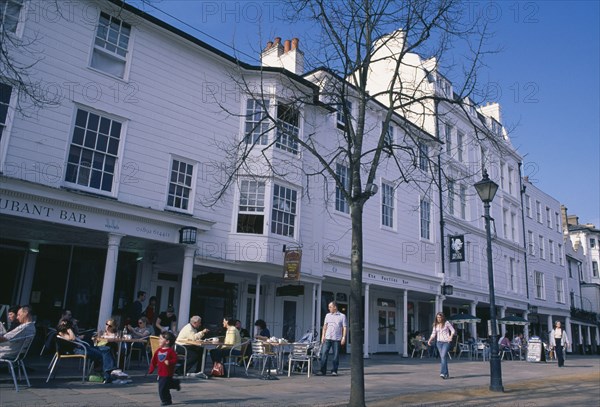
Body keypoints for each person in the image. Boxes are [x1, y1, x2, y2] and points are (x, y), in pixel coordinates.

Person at [57, 319, 116, 383]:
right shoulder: (61, 332)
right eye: (63, 323)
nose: (65, 324)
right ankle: (107, 374)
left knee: (106, 349)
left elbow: (75, 336)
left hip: (82, 347)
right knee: (100, 354)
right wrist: (69, 329)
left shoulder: (67, 330)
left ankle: (108, 372)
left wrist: (74, 327)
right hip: (76, 350)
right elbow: (72, 338)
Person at [148, 331, 181, 406]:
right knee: (167, 385)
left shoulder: (170, 351)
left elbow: (175, 360)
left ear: (167, 341)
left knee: (162, 388)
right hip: (161, 373)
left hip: (168, 373)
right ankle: (175, 383)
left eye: (160, 339)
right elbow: (154, 361)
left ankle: (166, 400)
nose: (159, 340)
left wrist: (169, 362)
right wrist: (151, 369)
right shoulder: (158, 351)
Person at [318, 301, 347, 376]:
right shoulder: (327, 315)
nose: (329, 308)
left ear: (335, 307)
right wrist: (322, 336)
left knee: (336, 355)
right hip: (327, 338)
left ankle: (334, 370)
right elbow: (325, 326)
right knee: (324, 354)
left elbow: (344, 327)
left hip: (337, 339)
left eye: (330, 307)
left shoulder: (342, 316)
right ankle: (322, 371)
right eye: (328, 307)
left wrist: (343, 337)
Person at [427, 312, 455, 379]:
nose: (439, 319)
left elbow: (453, 330)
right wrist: (429, 340)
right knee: (443, 357)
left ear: (442, 317)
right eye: (437, 317)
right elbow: (433, 334)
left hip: (446, 342)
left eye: (440, 317)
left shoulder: (446, 323)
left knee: (442, 356)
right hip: (439, 343)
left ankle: (442, 373)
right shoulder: (435, 325)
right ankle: (446, 374)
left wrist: (451, 337)